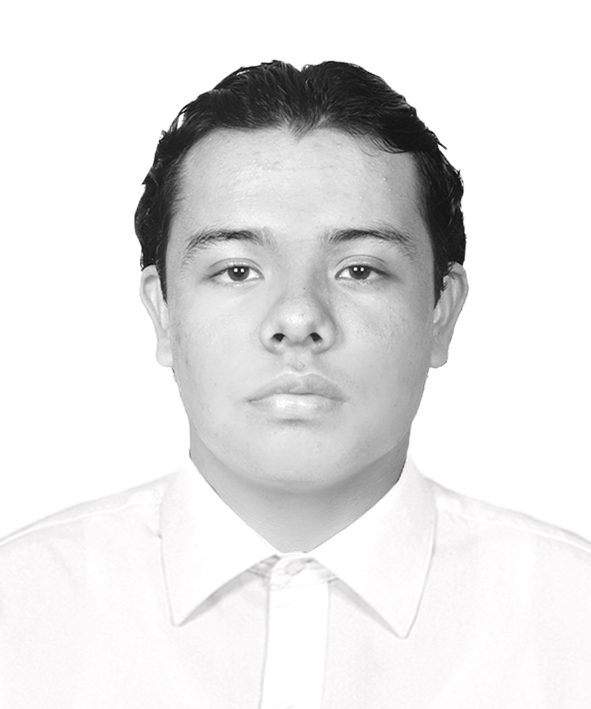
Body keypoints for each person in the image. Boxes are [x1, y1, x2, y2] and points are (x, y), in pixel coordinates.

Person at [1, 61, 589, 708]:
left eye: (359, 269)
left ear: (440, 312)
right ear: (163, 311)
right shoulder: (20, 607)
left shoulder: (571, 616)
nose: (299, 318)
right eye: (237, 270)